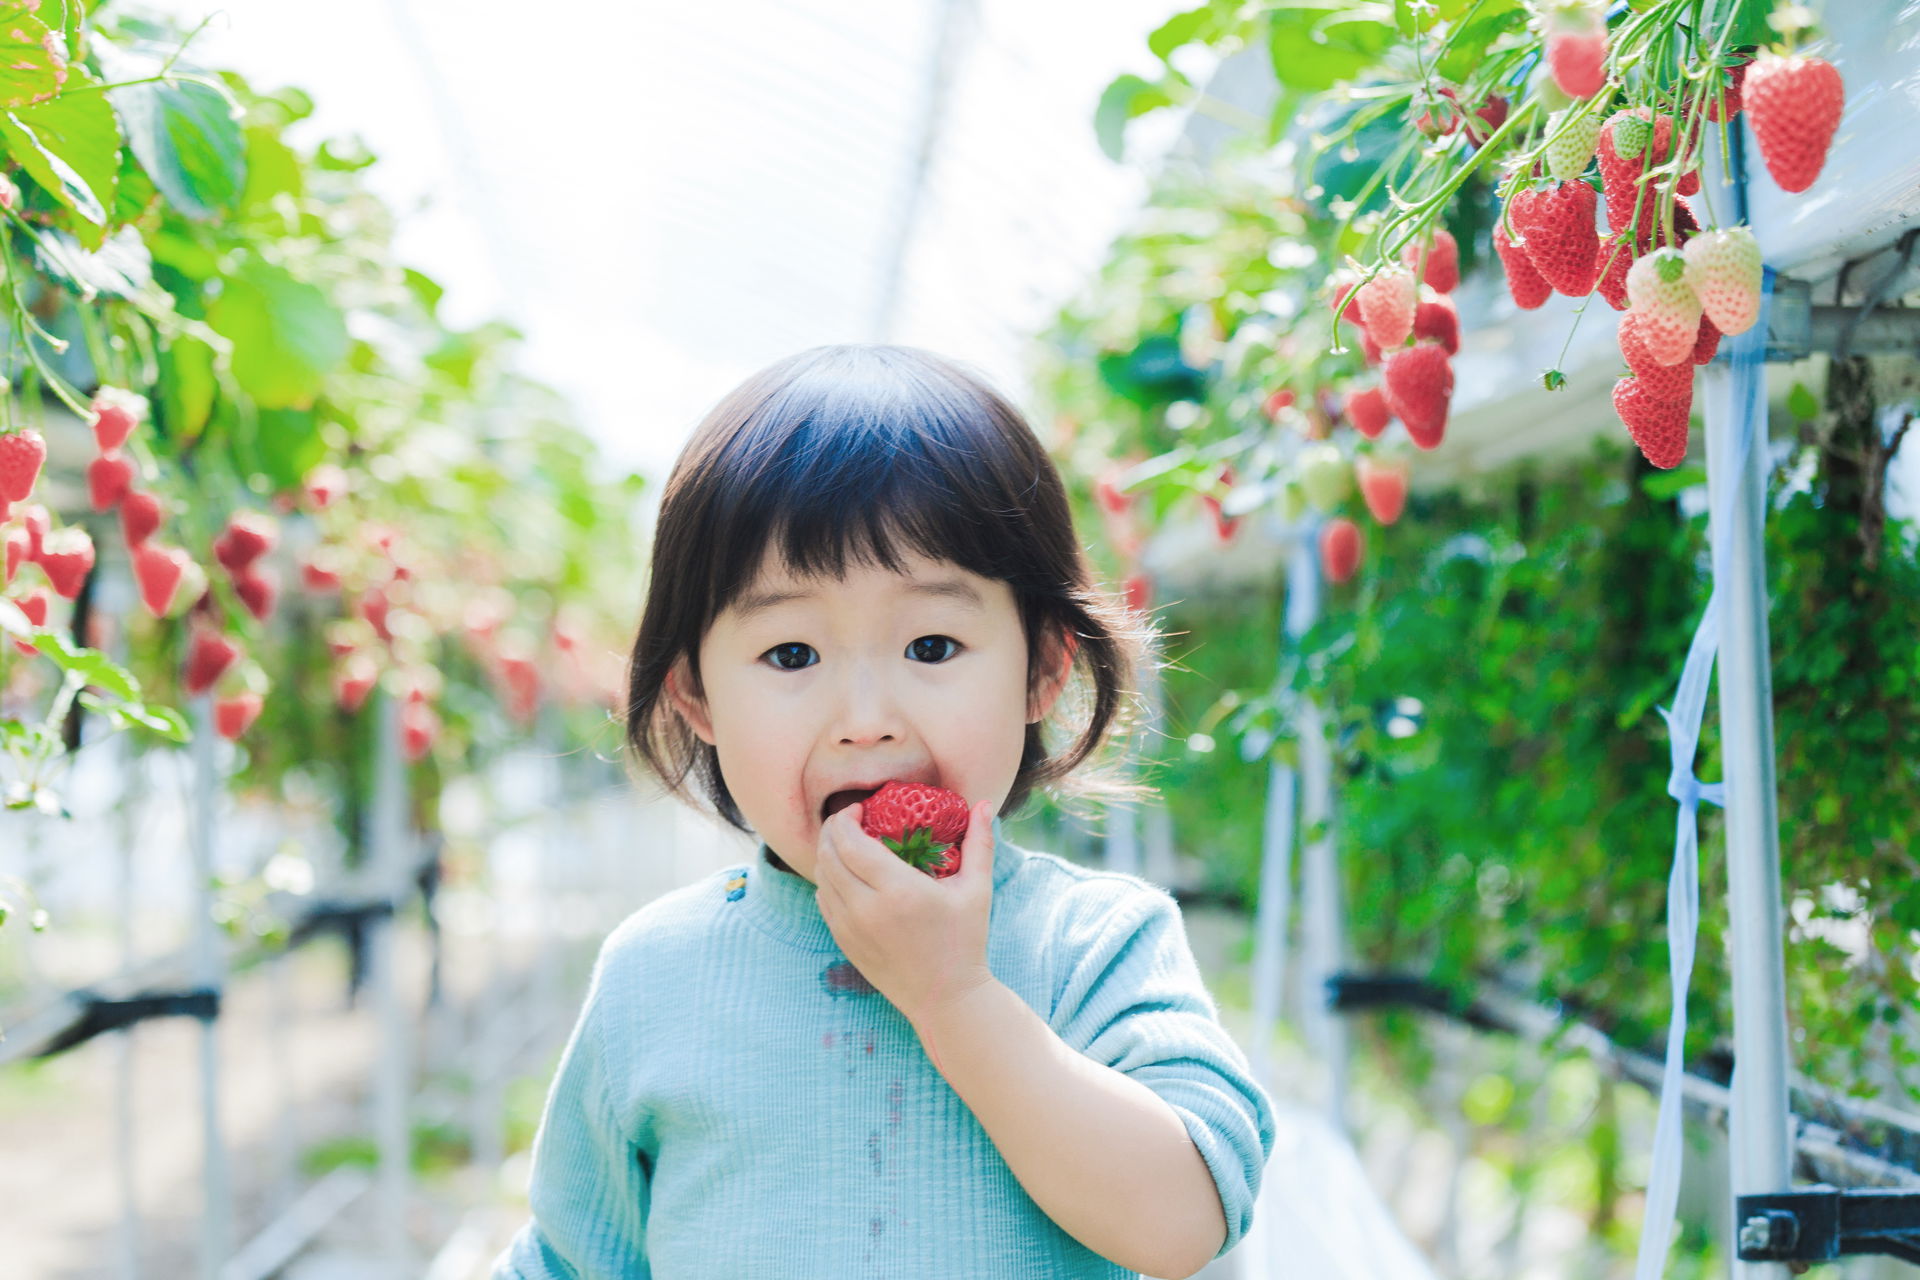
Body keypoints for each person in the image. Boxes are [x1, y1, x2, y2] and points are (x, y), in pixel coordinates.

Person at [490, 344, 1276, 1279]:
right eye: (791, 656)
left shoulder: (1092, 945)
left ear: (1042, 671)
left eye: (932, 644)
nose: (865, 721)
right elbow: (571, 1259)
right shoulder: (655, 978)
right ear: (696, 699)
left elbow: (1184, 1220)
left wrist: (957, 997)